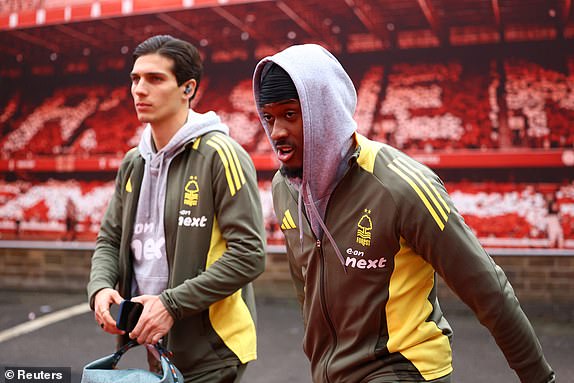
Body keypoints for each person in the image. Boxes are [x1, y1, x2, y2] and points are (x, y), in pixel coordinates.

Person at [252, 44, 555, 383]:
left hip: (403, 369)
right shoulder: (285, 187)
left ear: (324, 112)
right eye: (269, 117)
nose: (276, 132)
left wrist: (539, 378)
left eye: (290, 115)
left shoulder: (401, 186)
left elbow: (489, 289)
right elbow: (305, 284)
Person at [87, 35, 266, 382]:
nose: (139, 90)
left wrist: (171, 304)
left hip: (211, 352)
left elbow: (250, 254)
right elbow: (109, 240)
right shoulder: (132, 162)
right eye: (135, 79)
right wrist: (100, 286)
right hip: (154, 344)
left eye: (155, 79)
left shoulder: (220, 154)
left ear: (188, 88)